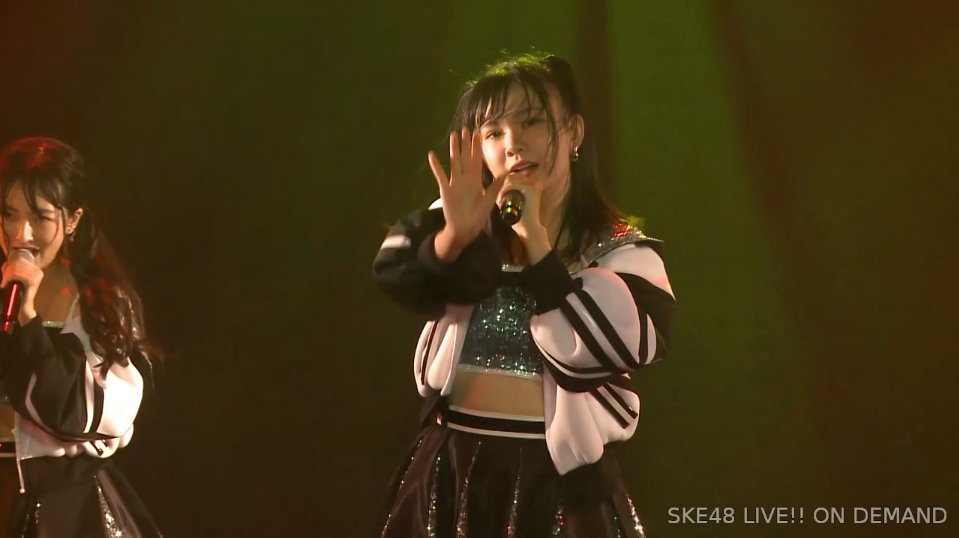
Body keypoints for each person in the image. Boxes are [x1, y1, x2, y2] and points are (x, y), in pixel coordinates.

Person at [373, 53, 676, 537]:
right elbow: (395, 276)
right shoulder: (461, 224)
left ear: (574, 133)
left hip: (558, 489)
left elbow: (632, 343)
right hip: (452, 473)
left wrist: (536, 242)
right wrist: (452, 239)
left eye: (531, 122)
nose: (513, 143)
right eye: (493, 132)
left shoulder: (618, 249)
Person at [0, 137, 161, 537]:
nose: (20, 233)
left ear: (72, 220)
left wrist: (28, 318)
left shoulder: (99, 304)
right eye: (9, 214)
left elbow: (80, 412)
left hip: (63, 510)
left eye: (40, 217)